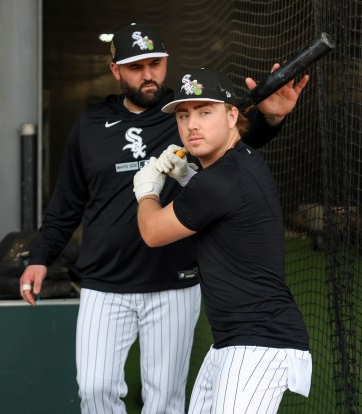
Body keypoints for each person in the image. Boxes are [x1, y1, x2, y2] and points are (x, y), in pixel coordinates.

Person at [19, 22, 309, 413]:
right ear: (116, 70)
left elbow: (237, 139)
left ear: (166, 63)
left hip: (175, 281)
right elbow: (67, 200)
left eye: (154, 63)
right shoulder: (92, 125)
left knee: (165, 400)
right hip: (106, 279)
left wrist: (271, 119)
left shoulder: (190, 113)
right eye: (136, 66)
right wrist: (40, 255)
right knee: (94, 390)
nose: (148, 74)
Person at [134, 67, 312, 414]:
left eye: (205, 112)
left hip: (260, 342)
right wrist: (187, 176)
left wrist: (147, 192)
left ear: (233, 116)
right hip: (233, 341)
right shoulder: (231, 165)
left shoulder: (220, 179)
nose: (192, 125)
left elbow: (152, 232)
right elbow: (221, 207)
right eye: (183, 116)